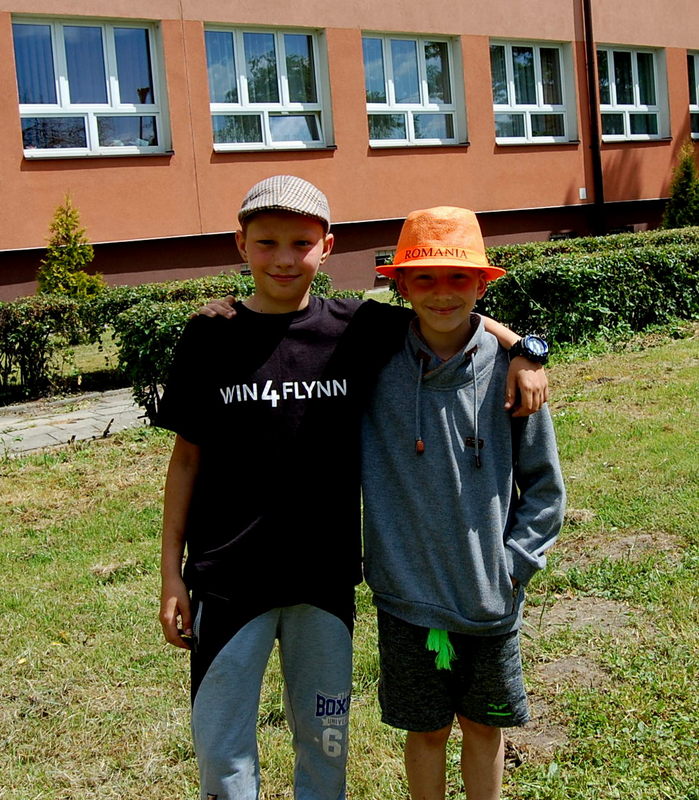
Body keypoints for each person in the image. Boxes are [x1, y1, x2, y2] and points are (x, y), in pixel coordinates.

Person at [156, 175, 549, 800]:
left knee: (326, 742)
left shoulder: (355, 326)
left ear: (327, 247)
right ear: (240, 244)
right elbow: (184, 462)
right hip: (227, 582)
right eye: (267, 242)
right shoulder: (211, 334)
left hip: (324, 580)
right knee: (223, 750)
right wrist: (171, 575)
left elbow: (452, 312)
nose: (285, 259)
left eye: (301, 243)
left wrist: (526, 350)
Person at [360, 206, 566, 800]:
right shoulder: (372, 362)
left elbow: (544, 487)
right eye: (424, 277)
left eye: (459, 277)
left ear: (482, 284)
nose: (442, 292)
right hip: (405, 598)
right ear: (401, 286)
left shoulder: (513, 376)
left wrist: (514, 566)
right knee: (425, 732)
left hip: (487, 596)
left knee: (483, 727)